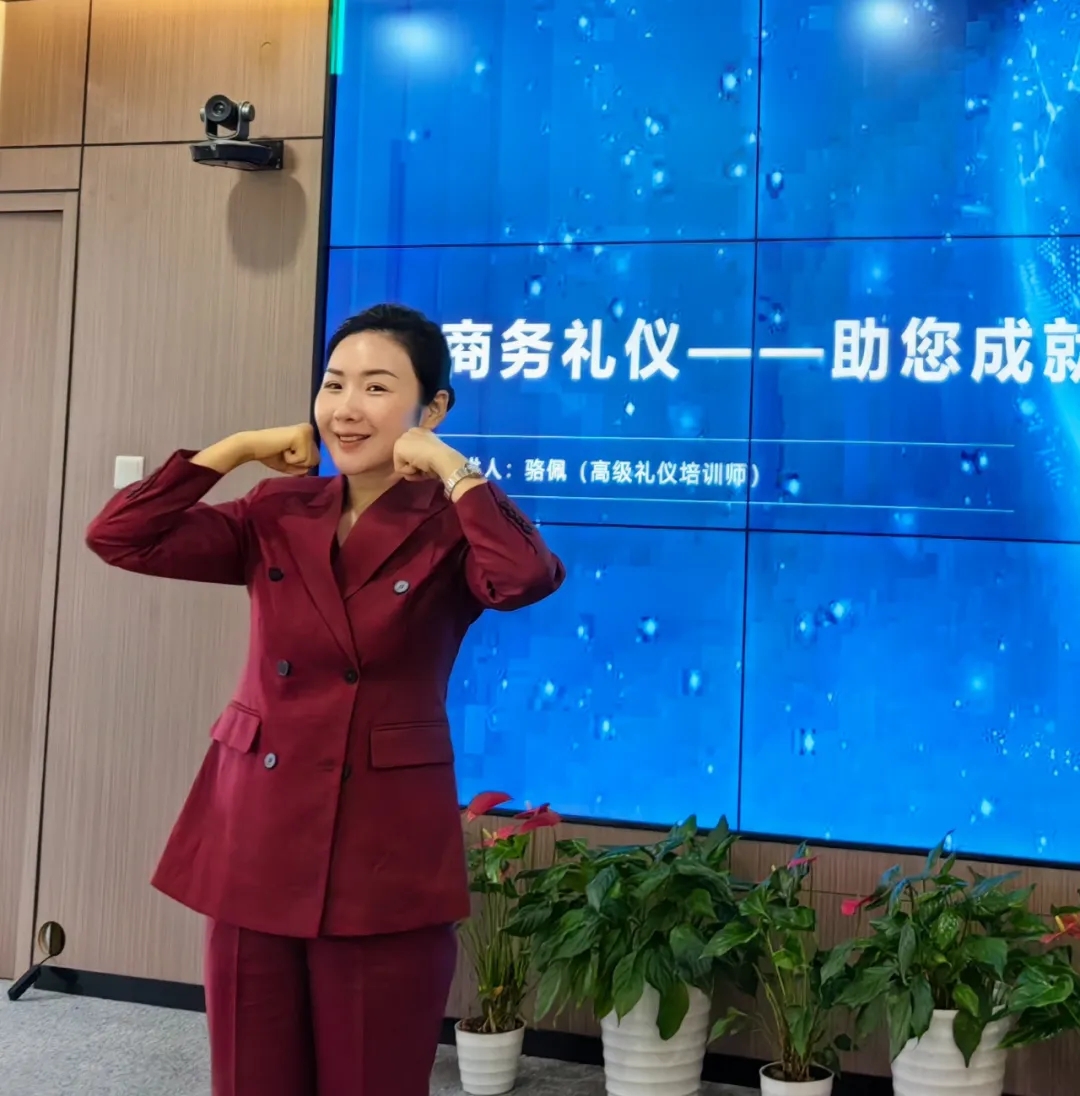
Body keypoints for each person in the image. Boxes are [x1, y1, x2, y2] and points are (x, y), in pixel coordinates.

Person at [85, 304, 565, 1096]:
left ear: (431, 408)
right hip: (256, 829)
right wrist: (236, 450)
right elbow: (120, 536)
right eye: (334, 384)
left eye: (377, 387)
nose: (346, 407)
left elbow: (525, 578)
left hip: (383, 843)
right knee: (251, 1076)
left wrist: (453, 469)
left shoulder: (452, 524)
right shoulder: (277, 510)